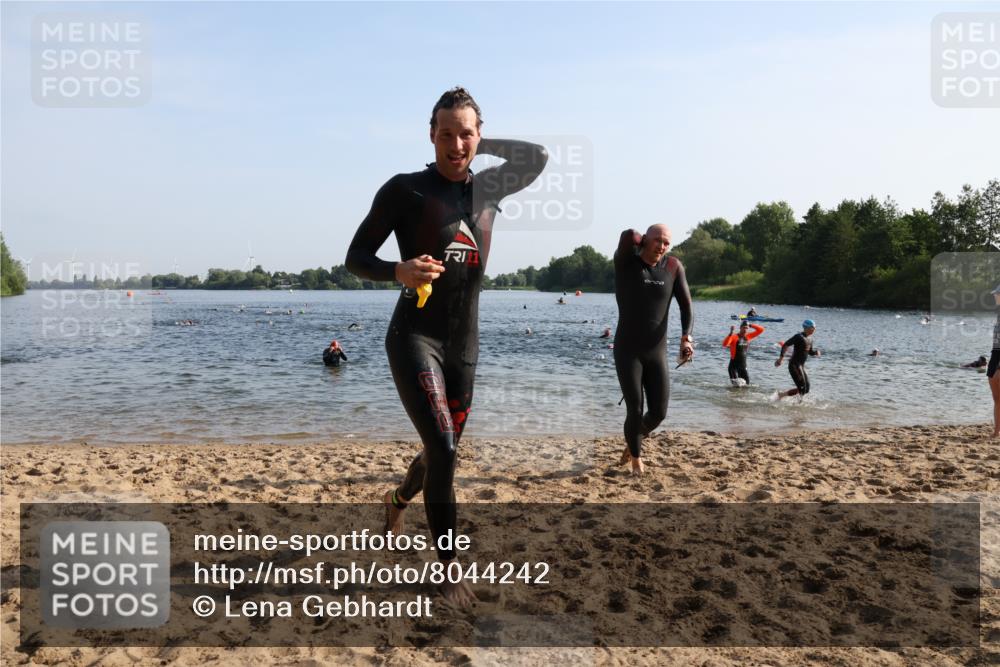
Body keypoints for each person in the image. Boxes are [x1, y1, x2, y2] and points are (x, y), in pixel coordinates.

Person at [345, 87, 547, 606]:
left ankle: (397, 499)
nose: (456, 144)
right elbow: (355, 257)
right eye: (446, 133)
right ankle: (448, 569)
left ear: (478, 136)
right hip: (413, 335)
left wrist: (480, 136)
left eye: (466, 133)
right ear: (429, 134)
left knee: (442, 453)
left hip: (464, 345)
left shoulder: (490, 188)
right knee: (445, 448)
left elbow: (537, 156)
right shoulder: (404, 190)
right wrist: (399, 270)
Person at [613, 225, 693, 476]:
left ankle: (633, 440)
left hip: (656, 351)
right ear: (645, 240)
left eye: (667, 243)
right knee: (635, 408)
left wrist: (686, 338)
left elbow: (686, 307)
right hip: (628, 350)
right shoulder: (626, 262)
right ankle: (636, 459)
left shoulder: (673, 267)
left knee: (659, 412)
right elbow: (627, 236)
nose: (662, 246)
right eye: (657, 240)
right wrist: (640, 239)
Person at [775, 319, 820, 398]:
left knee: (806, 389)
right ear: (806, 327)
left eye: (814, 327)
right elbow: (785, 345)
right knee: (802, 387)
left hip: (801, 366)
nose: (814, 329)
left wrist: (815, 352)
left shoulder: (810, 339)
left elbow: (810, 352)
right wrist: (781, 358)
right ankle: (800, 404)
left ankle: (782, 395)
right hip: (794, 365)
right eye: (812, 327)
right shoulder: (798, 337)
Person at [722, 321, 764, 385]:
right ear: (740, 328)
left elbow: (761, 330)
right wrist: (730, 333)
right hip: (733, 366)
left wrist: (750, 325)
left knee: (747, 385)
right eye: (744, 327)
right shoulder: (734, 337)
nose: (745, 329)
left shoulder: (748, 336)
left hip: (743, 366)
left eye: (747, 328)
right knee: (736, 386)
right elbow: (725, 344)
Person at [989, 285, 1000, 437]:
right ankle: (997, 431)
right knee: (997, 398)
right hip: (995, 355)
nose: (995, 296)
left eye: (997, 294)